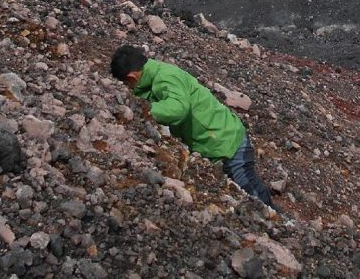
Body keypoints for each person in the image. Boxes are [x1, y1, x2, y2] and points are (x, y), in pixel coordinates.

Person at [110, 44, 274, 207]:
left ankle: (281, 225)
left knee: (253, 194)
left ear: (132, 77)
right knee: (249, 189)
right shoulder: (154, 76)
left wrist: (144, 110)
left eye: (127, 84)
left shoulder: (165, 78)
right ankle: (281, 220)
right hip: (219, 140)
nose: (128, 88)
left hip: (226, 142)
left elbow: (178, 109)